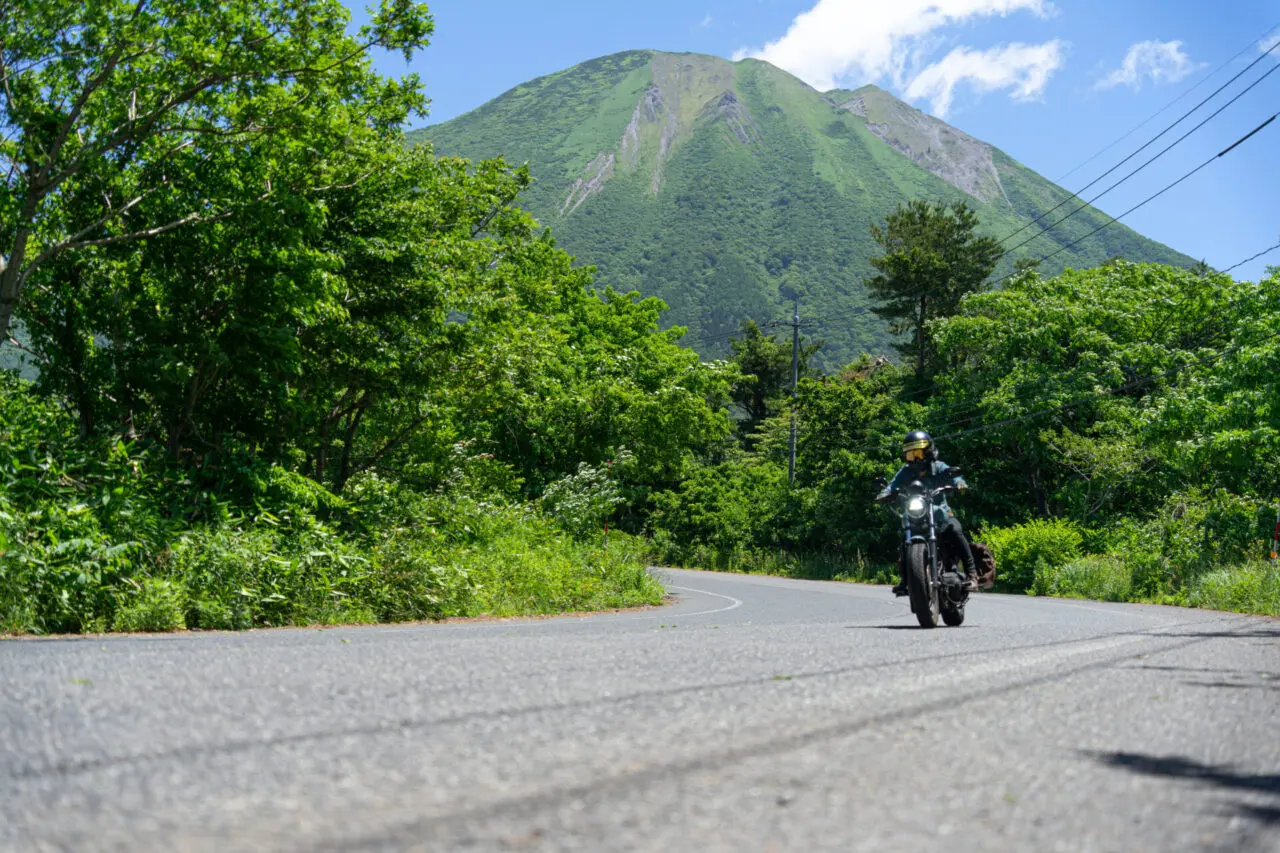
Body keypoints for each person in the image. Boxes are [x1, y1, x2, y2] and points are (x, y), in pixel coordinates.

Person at [876, 430, 979, 595]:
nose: (914, 458)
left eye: (917, 453)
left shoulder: (938, 466)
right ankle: (905, 579)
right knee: (904, 540)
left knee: (955, 530)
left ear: (928, 451)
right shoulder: (906, 471)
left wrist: (959, 483)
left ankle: (972, 574)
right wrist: (884, 494)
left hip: (942, 513)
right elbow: (892, 485)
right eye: (910, 454)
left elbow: (954, 477)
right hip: (917, 514)